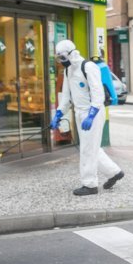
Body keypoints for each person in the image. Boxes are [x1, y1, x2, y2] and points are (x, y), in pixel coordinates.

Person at [50, 39, 124, 196]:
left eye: (62, 58)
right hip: (79, 113)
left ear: (71, 54)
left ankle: (90, 184)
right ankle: (114, 172)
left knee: (87, 149)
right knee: (92, 147)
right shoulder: (68, 71)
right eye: (59, 59)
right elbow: (66, 97)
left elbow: (97, 95)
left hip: (93, 112)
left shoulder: (89, 67)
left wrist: (91, 116)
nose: (61, 62)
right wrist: (58, 114)